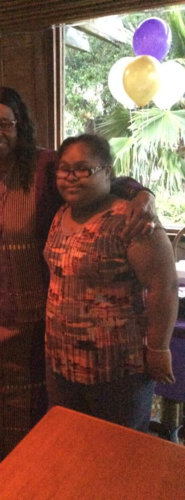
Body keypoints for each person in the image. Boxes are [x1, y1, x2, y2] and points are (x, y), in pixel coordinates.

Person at [0, 86, 158, 457]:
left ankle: (42, 461)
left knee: (43, 398)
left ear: (20, 125)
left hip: (43, 310)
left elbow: (94, 176)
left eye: (5, 123)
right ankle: (6, 458)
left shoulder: (45, 166)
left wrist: (142, 192)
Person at [45, 134, 178, 431]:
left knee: (120, 453)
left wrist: (158, 348)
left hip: (115, 366)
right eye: (64, 169)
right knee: (70, 443)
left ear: (107, 171)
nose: (71, 177)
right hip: (61, 360)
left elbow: (163, 287)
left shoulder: (133, 220)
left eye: (83, 169)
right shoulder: (61, 213)